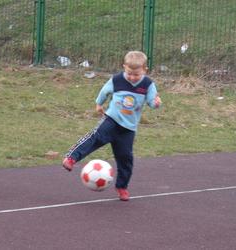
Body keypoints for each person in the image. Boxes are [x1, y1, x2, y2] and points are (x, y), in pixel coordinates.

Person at [62, 51, 162, 201]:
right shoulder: (117, 80)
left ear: (144, 70)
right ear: (124, 67)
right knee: (95, 137)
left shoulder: (148, 84)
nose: (132, 77)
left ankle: (122, 187)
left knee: (125, 158)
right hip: (112, 119)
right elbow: (105, 91)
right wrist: (98, 104)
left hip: (128, 129)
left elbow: (152, 102)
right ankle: (71, 158)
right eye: (129, 73)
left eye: (136, 74)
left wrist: (156, 103)